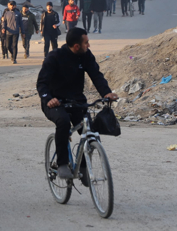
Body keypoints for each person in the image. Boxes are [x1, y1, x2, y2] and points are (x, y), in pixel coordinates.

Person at [36, 27, 119, 179]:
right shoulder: (54, 57)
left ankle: (84, 167)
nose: (89, 45)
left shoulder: (86, 56)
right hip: (55, 103)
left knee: (91, 132)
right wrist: (48, 99)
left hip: (77, 102)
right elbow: (42, 83)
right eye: (86, 42)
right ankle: (62, 164)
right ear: (76, 46)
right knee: (63, 122)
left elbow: (96, 75)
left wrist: (106, 93)